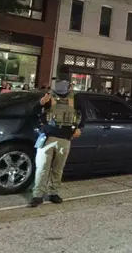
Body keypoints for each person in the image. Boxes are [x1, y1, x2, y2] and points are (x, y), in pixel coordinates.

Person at [29, 74, 83, 207]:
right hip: (48, 137)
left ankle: (53, 193)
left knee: (58, 169)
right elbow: (33, 113)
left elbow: (83, 115)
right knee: (42, 167)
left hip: (65, 138)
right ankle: (37, 195)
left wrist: (79, 128)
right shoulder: (48, 96)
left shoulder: (75, 98)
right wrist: (40, 103)